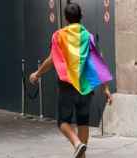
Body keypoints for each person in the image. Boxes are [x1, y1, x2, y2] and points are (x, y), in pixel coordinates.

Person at [29, 2, 113, 158]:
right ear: (81, 17)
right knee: (83, 122)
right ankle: (82, 155)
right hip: (85, 87)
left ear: (66, 18)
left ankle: (76, 143)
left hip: (67, 86)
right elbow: (98, 61)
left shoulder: (59, 35)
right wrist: (106, 88)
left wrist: (37, 74)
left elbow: (52, 60)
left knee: (63, 122)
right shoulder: (88, 36)